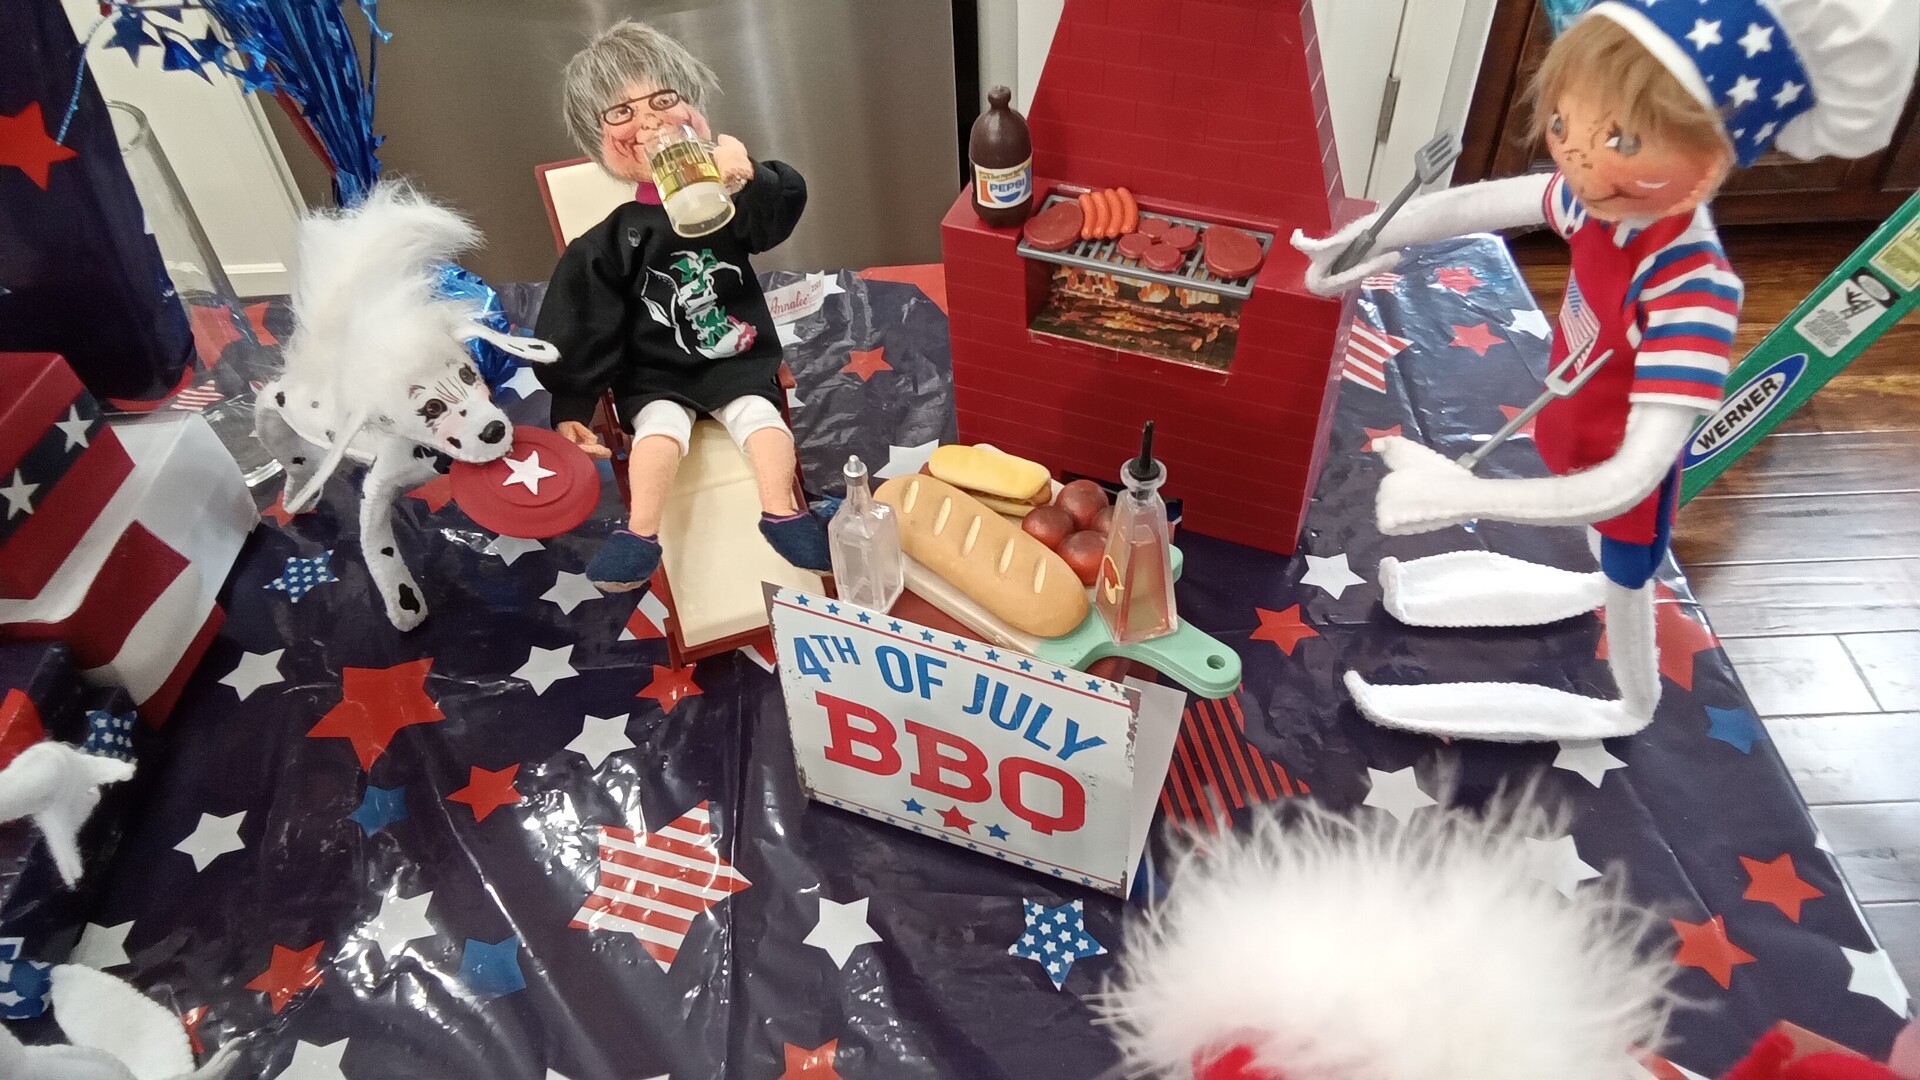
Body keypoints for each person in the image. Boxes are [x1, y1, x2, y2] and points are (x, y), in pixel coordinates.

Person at [1292, 0, 1917, 741]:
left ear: (1716, 153)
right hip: (1567, 426)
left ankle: (1628, 701)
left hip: (1617, 476)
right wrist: (1365, 236)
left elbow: (1630, 481)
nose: (1579, 160)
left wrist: (1470, 496)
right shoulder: (1600, 204)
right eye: (1564, 123)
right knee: (1599, 548)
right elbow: (1489, 202)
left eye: (1621, 139)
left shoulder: (1693, 290)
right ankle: (1591, 581)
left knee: (1626, 567)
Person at [536, 20, 829, 592]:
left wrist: (749, 178)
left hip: (734, 355)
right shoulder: (614, 238)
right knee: (658, 430)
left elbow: (773, 220)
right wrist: (573, 399)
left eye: (662, 100)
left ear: (694, 109)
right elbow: (585, 314)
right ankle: (640, 533)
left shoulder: (725, 200)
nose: (648, 122)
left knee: (761, 417)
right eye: (621, 112)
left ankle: (783, 513)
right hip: (655, 372)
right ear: (599, 141)